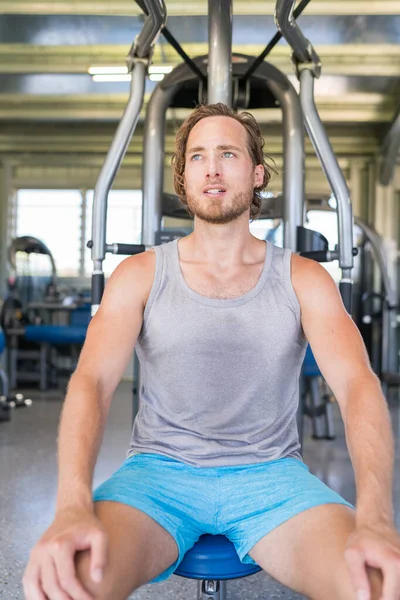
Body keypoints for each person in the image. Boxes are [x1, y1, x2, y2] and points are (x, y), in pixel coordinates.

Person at [23, 103, 400, 600]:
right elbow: (91, 382)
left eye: (228, 153)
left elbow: (356, 386)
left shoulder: (304, 279)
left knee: (376, 585)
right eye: (198, 157)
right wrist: (71, 506)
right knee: (65, 583)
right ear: (183, 178)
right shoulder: (138, 275)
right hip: (157, 478)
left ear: (257, 172)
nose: (213, 169)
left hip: (271, 480)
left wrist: (375, 517)